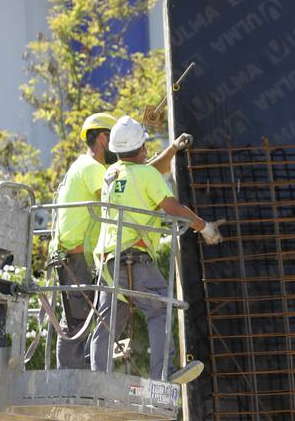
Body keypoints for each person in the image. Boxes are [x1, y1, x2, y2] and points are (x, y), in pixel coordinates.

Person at [89, 114, 221, 383]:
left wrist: (172, 149)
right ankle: (163, 374)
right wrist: (203, 226)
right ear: (143, 147)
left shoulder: (111, 175)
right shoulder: (146, 175)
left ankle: (96, 382)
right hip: (133, 258)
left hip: (106, 262)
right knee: (160, 307)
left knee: (107, 323)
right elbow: (172, 207)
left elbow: (145, 170)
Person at [50, 112, 116, 369]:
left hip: (74, 256)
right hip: (75, 257)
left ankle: (79, 373)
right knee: (77, 321)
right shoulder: (92, 168)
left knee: (84, 317)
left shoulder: (81, 166)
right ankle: (67, 378)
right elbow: (114, 200)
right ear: (103, 138)